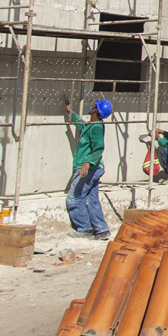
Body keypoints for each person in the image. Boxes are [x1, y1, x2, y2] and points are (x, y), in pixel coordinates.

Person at [64, 98, 111, 239]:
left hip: (89, 169)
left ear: (96, 110)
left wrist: (87, 163)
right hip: (94, 168)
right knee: (92, 199)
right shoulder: (92, 125)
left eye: (93, 105)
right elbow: (81, 126)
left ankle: (84, 228)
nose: (91, 106)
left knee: (74, 199)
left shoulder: (96, 127)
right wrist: (71, 112)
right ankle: (101, 229)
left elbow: (98, 148)